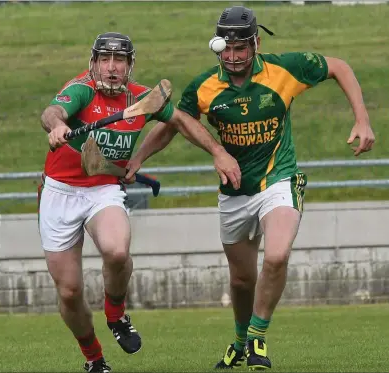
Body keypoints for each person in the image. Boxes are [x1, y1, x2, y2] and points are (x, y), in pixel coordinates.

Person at [124, 6, 375, 371]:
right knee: (242, 280)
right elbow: (174, 124)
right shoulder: (205, 86)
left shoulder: (284, 70)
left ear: (256, 43)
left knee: (276, 255)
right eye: (225, 48)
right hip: (234, 192)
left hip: (279, 179)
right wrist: (138, 160)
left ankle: (257, 336)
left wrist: (362, 118)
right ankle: (240, 341)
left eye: (240, 48)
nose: (232, 56)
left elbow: (339, 67)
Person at [39, 32, 241, 373]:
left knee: (117, 251)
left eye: (119, 60)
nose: (112, 67)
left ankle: (116, 314)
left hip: (104, 187)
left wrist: (218, 151)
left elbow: (180, 123)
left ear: (130, 65)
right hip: (60, 191)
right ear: (94, 63)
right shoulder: (82, 89)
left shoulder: (140, 98)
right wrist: (57, 126)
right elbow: (52, 111)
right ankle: (94, 359)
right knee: (70, 292)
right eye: (105, 59)